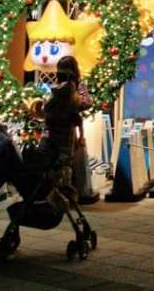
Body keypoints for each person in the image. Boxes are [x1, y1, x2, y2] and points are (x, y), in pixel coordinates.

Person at [41, 56, 90, 206]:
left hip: (67, 130)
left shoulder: (78, 85)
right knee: (54, 161)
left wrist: (72, 104)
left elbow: (86, 102)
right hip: (54, 128)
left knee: (65, 162)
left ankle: (66, 195)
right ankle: (54, 194)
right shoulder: (57, 86)